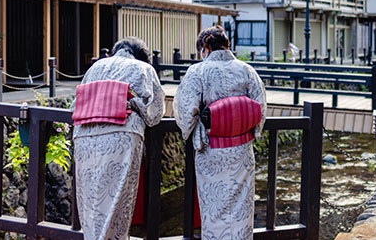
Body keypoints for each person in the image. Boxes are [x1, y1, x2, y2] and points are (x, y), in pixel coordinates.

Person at [174, 25, 267, 240]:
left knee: (214, 209)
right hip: (242, 149)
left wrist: (192, 129)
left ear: (205, 47)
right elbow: (260, 109)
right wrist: (250, 130)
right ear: (228, 46)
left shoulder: (198, 71)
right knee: (241, 209)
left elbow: (186, 113)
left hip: (211, 149)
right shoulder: (246, 70)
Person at [72, 37, 165, 240]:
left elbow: (74, 106)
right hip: (121, 136)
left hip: (85, 136)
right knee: (117, 202)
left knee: (90, 203)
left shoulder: (95, 68)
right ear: (142, 56)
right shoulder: (143, 68)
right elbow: (155, 112)